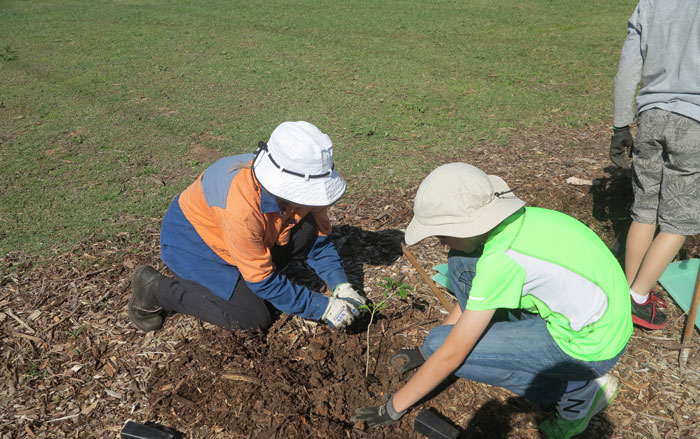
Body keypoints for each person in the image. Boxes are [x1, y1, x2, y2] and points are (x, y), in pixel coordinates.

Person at [352, 163, 633, 439]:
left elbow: (451, 353)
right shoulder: (526, 219)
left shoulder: (502, 260)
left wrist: (392, 408)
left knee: (441, 344)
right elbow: (477, 293)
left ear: (465, 226)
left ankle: (577, 391)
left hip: (588, 348)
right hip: (602, 318)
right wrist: (428, 353)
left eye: (440, 233)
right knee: (461, 262)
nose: (439, 242)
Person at [127, 121, 366, 333]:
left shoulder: (305, 181)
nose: (311, 200)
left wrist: (340, 284)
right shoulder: (240, 205)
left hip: (240, 236)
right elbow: (262, 279)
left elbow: (319, 241)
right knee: (251, 317)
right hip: (194, 244)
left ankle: (249, 271)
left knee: (306, 230)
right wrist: (322, 308)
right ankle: (156, 289)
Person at [609, 0, 700, 330]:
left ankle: (629, 295)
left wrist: (620, 125)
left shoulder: (650, 3)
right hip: (694, 122)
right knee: (679, 221)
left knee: (644, 210)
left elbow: (628, 69)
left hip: (650, 118)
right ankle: (637, 297)